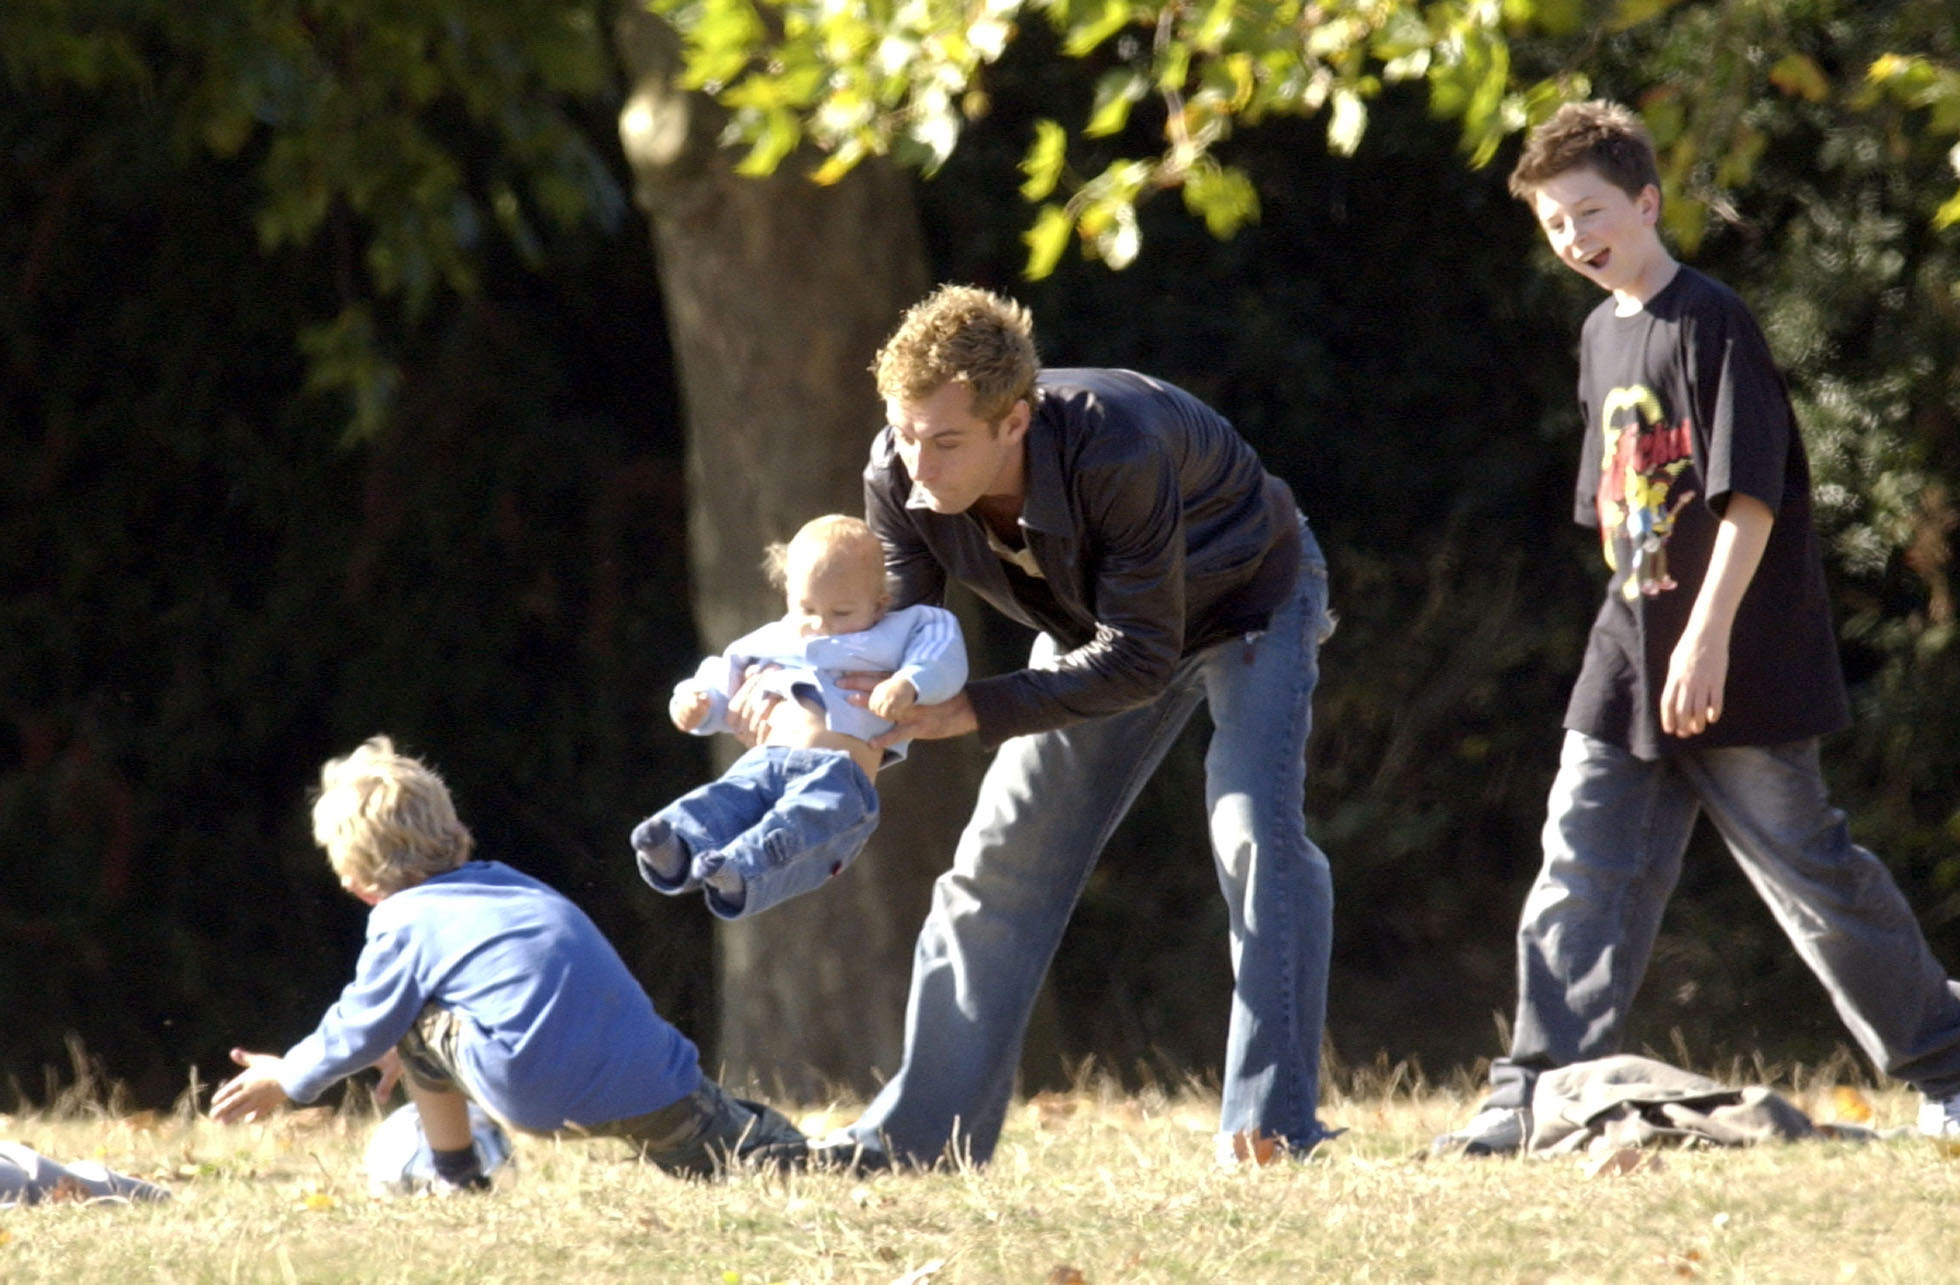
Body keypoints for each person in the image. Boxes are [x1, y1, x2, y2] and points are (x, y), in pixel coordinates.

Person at [1434, 100, 1960, 1155]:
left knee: (1808, 873)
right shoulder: (1597, 335)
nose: (1576, 239)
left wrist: (1708, 634)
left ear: (1644, 201)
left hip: (1737, 655)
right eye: (1553, 225)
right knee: (1578, 863)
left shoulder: (1707, 318)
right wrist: (1641, 639)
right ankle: (1535, 1089)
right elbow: (1614, 512)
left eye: (1589, 212)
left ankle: (1946, 1063)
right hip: (1630, 651)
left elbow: (1746, 494)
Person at [811, 283, 1336, 1169]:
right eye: (904, 433)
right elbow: (898, 646)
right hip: (1103, 625)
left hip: (1250, 599)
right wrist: (824, 729)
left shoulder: (1115, 447)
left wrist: (974, 707)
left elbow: (1138, 658)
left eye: (945, 442)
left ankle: (1270, 1130)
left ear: (1015, 422)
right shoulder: (897, 472)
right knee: (999, 861)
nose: (917, 463)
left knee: (1255, 834)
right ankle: (919, 1140)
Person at [209, 736, 805, 1186]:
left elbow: (360, 1024)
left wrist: (286, 1077)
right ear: (453, 829)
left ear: (356, 877)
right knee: (760, 1154)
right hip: (654, 1079)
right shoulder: (516, 887)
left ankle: (456, 1176)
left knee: (412, 1023)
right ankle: (808, 1159)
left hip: (537, 1093)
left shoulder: (402, 920)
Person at [632, 514, 967, 918]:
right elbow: (722, 678)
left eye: (842, 613)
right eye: (806, 608)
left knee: (803, 823)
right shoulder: (775, 638)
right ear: (789, 595)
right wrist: (695, 702)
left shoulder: (903, 630)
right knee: (727, 799)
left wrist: (910, 684)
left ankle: (741, 871)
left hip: (838, 774)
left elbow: (942, 652)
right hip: (763, 761)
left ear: (880, 605)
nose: (821, 626)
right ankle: (678, 842)